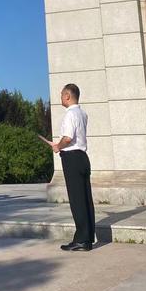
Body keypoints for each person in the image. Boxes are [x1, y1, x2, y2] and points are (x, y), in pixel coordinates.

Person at [50, 84, 95, 252]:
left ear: (68, 96)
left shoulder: (70, 114)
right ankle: (88, 238)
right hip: (82, 157)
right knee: (86, 199)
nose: (60, 98)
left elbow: (68, 138)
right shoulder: (82, 113)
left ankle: (81, 240)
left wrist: (58, 146)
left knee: (77, 200)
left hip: (72, 158)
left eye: (62, 95)